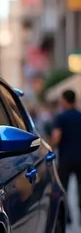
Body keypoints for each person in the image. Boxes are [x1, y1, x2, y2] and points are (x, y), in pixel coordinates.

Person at [51, 89, 81, 225]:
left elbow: (56, 138)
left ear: (64, 100)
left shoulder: (60, 117)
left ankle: (66, 216)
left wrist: (50, 147)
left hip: (65, 158)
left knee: (63, 188)